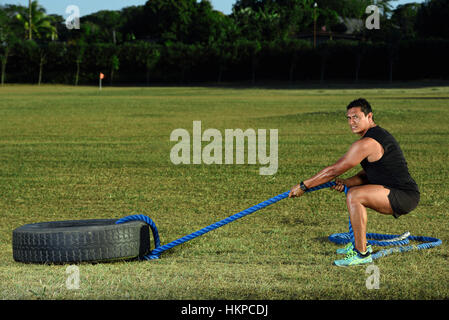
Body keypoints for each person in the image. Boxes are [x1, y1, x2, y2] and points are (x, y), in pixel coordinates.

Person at [288, 98, 420, 266]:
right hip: (392, 190)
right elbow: (370, 173)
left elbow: (334, 170)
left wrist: (304, 185)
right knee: (353, 192)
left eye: (356, 117)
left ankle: (362, 254)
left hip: (404, 195)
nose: (351, 122)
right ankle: (360, 245)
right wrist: (348, 181)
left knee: (355, 196)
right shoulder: (375, 135)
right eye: (349, 118)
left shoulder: (367, 143)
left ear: (369, 116)